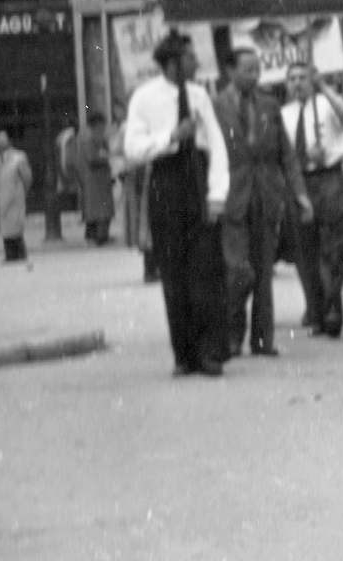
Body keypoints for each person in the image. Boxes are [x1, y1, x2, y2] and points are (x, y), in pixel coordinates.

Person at [123, 32, 230, 377]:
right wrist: (170, 137)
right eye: (190, 58)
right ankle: (183, 356)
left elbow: (217, 147)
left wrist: (216, 196)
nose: (197, 63)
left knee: (206, 273)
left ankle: (210, 353)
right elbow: (133, 149)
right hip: (166, 185)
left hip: (198, 184)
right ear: (172, 63)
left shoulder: (200, 96)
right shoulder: (144, 98)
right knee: (174, 274)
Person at [215, 48, 310, 358]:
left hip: (267, 196)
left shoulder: (270, 104)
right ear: (230, 71)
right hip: (231, 197)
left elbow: (287, 155)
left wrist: (300, 194)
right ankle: (231, 335)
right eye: (247, 70)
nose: (254, 76)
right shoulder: (215, 106)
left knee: (264, 271)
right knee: (238, 271)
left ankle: (262, 339)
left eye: (257, 70)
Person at [281, 63, 343, 337]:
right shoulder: (284, 114)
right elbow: (282, 152)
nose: (298, 83)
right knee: (305, 248)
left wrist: (324, 86)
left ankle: (334, 305)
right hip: (299, 182)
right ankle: (316, 309)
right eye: (292, 78)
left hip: (329, 178)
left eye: (303, 78)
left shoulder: (326, 104)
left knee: (333, 245)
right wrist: (302, 157)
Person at [0, 129, 33, 264]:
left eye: (3, 139)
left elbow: (27, 178)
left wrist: (21, 192)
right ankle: (9, 254)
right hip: (1, 197)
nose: (1, 142)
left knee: (15, 227)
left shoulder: (19, 157)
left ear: (9, 141)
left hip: (15, 197)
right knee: (5, 228)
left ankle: (20, 253)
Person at [79, 111, 115, 245]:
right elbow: (92, 158)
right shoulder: (89, 140)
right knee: (98, 210)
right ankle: (99, 236)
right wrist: (108, 157)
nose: (104, 130)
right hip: (94, 180)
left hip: (102, 179)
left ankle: (100, 235)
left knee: (101, 209)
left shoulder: (101, 140)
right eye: (102, 127)